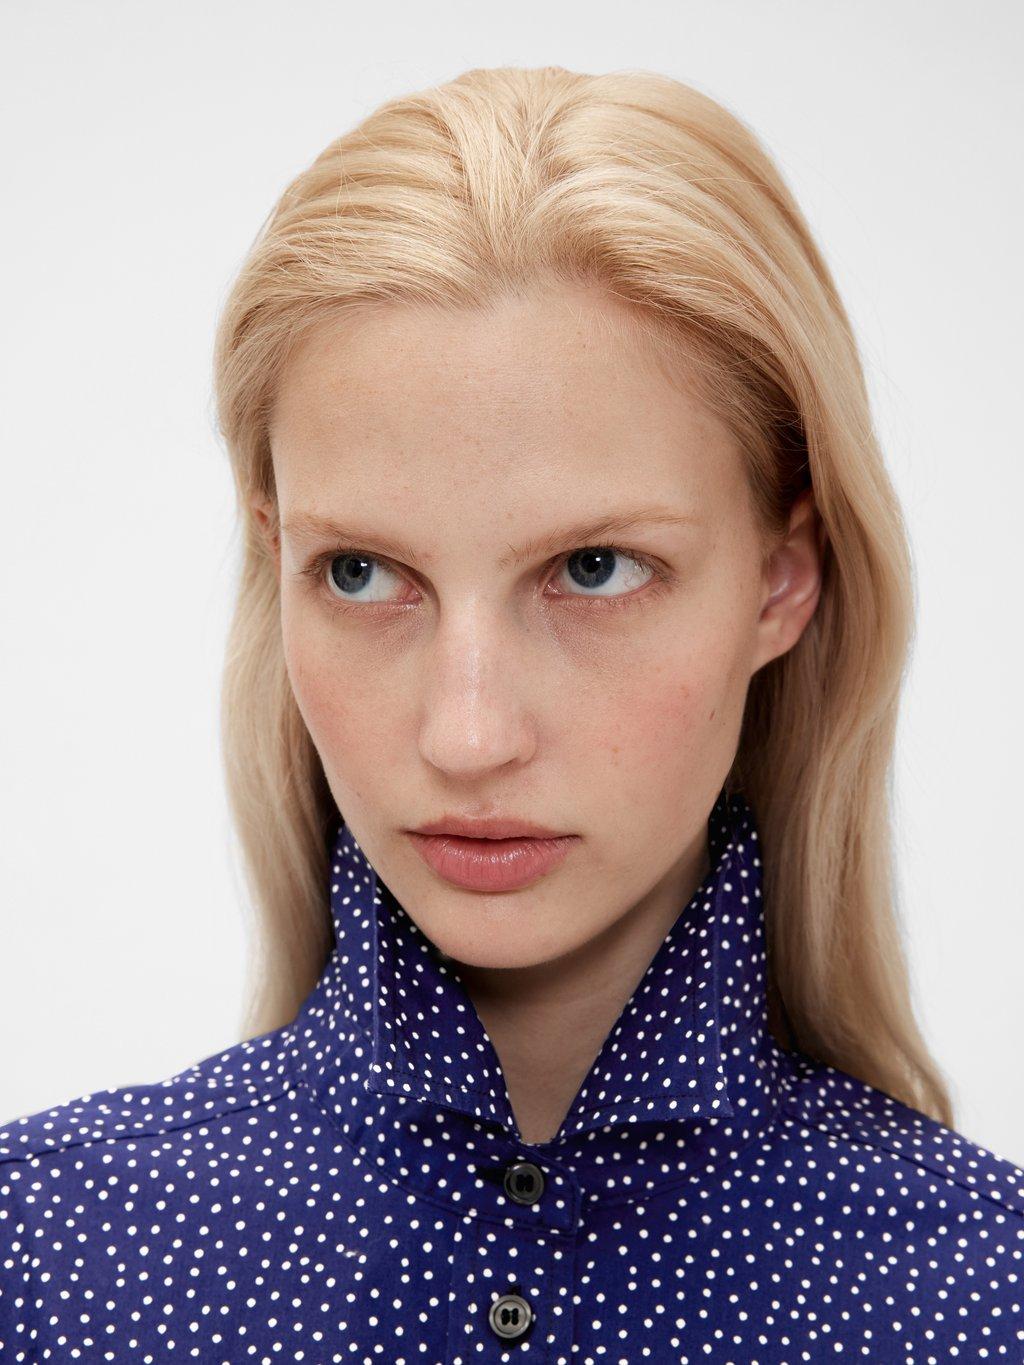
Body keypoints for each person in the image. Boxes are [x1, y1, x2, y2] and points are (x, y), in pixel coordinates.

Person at [2, 64, 1021, 1362]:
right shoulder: (45, 1255)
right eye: (361, 573)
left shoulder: (984, 1293)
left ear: (782, 577)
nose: (467, 735)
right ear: (275, 556)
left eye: (593, 569)